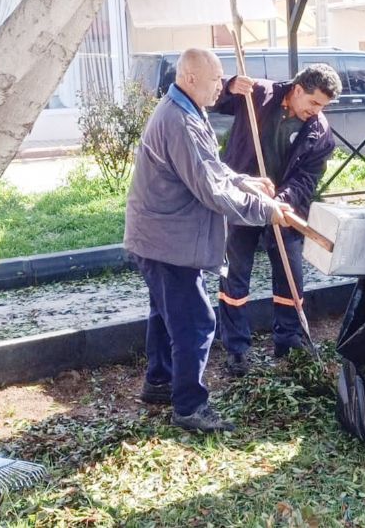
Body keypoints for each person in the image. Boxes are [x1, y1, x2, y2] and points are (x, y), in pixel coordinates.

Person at [124, 48, 292, 433]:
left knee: (167, 314)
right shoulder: (179, 119)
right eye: (217, 79)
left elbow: (211, 169)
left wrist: (244, 181)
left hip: (159, 236)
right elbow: (211, 191)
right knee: (197, 322)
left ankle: (160, 381)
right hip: (167, 240)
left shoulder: (184, 108)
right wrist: (265, 210)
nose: (223, 86)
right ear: (191, 77)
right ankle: (189, 406)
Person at [212, 63, 342, 376]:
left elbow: (306, 178)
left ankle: (289, 339)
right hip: (242, 202)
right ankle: (237, 349)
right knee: (235, 274)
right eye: (313, 103)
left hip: (285, 209)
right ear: (298, 89)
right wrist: (230, 85)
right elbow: (213, 97)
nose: (317, 111)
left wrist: (280, 203)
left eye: (323, 106)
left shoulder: (320, 133)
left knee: (289, 272)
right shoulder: (257, 94)